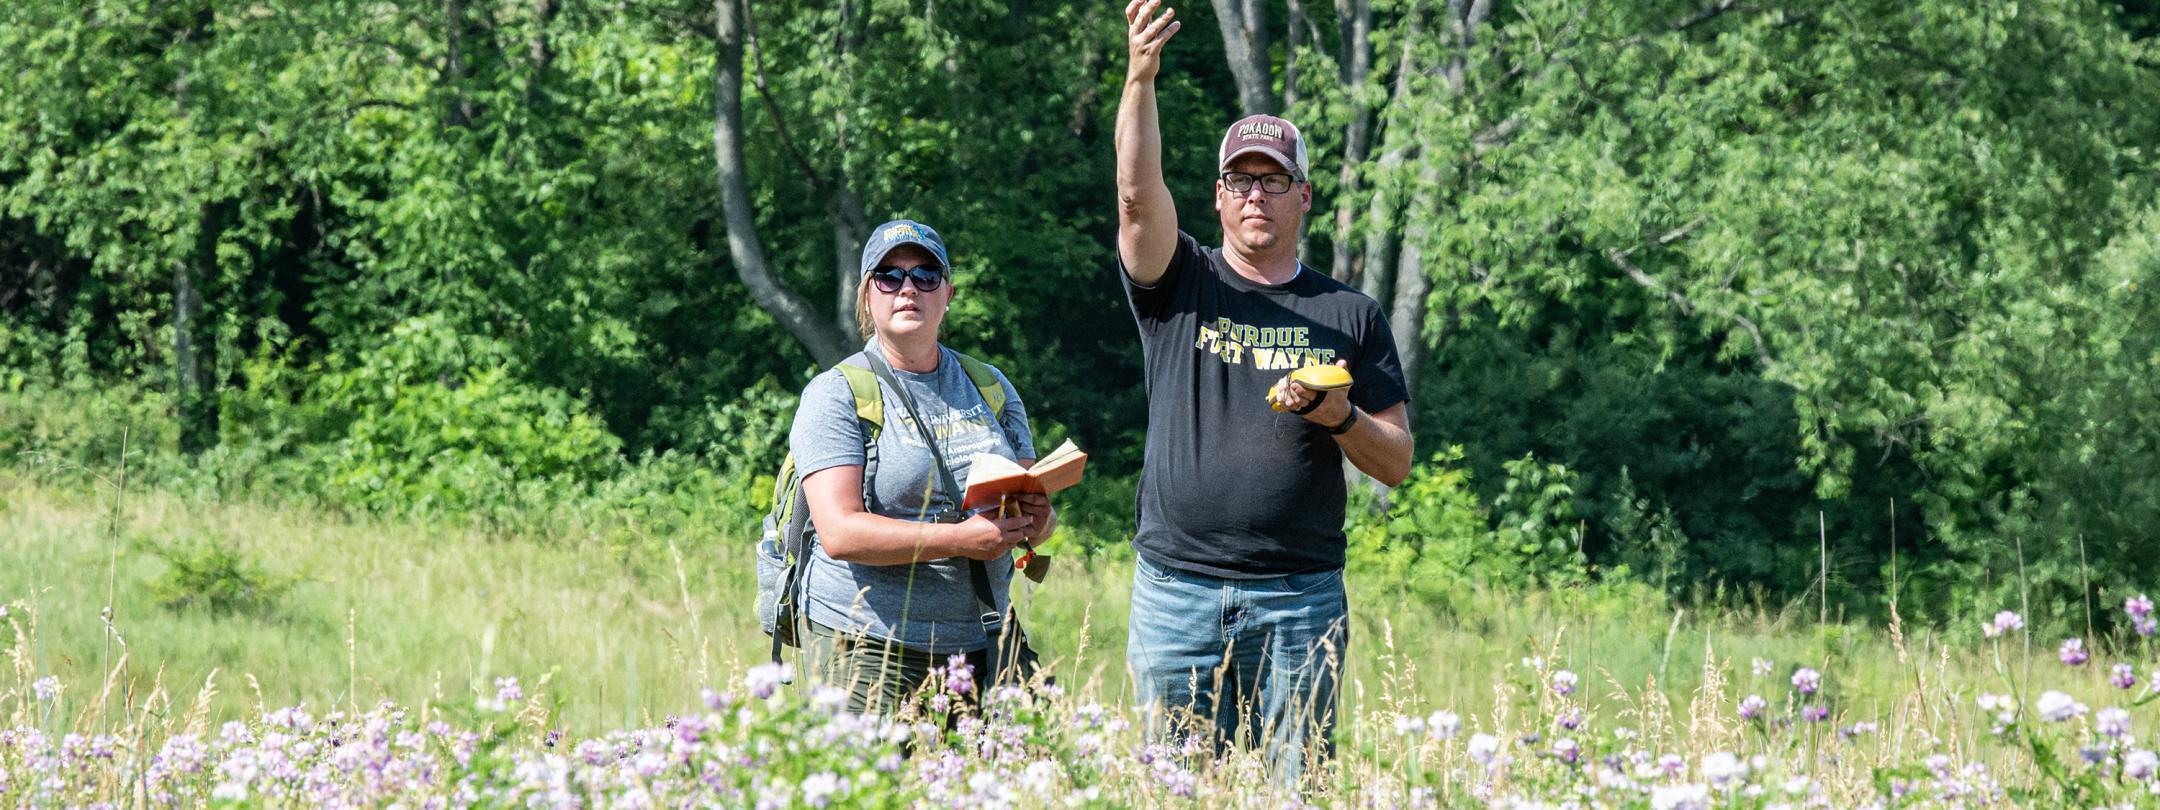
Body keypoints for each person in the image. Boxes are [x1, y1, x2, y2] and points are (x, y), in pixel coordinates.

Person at [1115, 0, 1415, 778]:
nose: (1256, 195)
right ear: (1216, 197)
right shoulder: (1180, 282)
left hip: (1299, 599)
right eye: (1240, 180)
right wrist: (1140, 79)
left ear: (1303, 196)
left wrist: (1340, 415)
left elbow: (1395, 460)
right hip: (1177, 592)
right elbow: (1137, 200)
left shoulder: (1349, 313)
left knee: (1298, 789)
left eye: (1274, 181)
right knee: (1171, 791)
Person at [787, 219, 1055, 715]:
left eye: (925, 275)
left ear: (947, 293)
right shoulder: (837, 393)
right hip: (869, 644)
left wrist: (1036, 522)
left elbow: (1028, 505)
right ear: (867, 296)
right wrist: (961, 540)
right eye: (889, 276)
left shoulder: (990, 385)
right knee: (878, 791)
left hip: (985, 633)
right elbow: (840, 532)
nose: (908, 288)